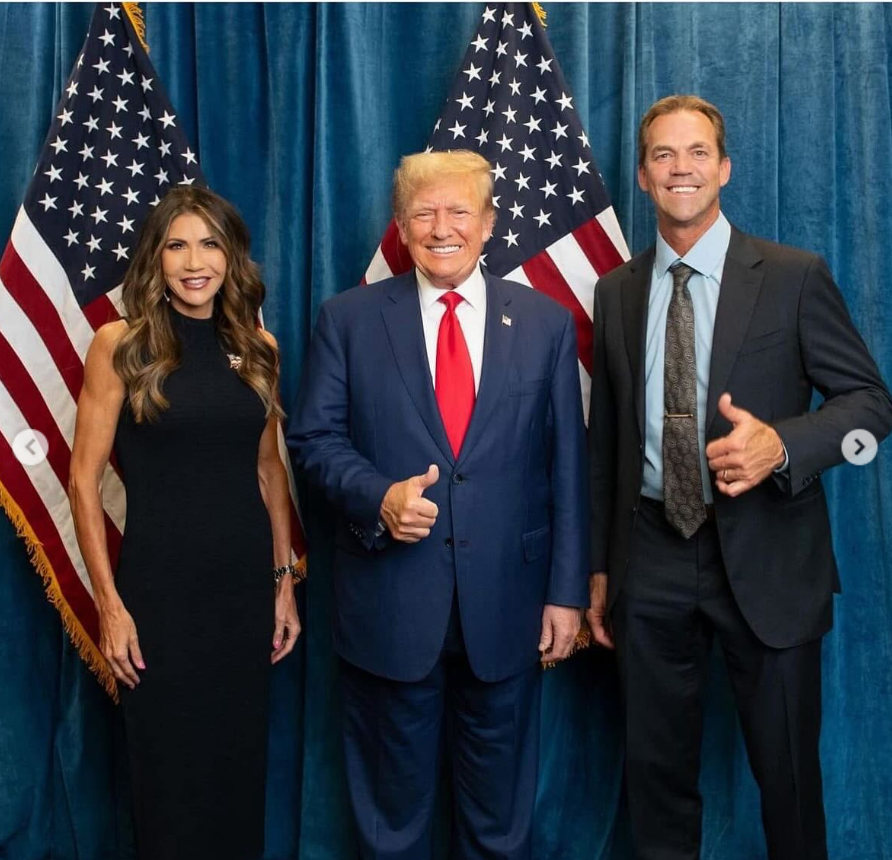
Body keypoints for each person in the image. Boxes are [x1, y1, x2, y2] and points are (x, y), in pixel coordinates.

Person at [586, 94, 892, 860]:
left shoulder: (793, 276)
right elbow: (606, 445)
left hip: (768, 557)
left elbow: (870, 409)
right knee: (656, 778)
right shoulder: (616, 290)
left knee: (787, 779)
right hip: (650, 557)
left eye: (696, 153)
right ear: (644, 175)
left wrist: (782, 447)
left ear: (723, 169)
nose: (680, 168)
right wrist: (598, 567)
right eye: (663, 154)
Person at [288, 150, 588, 860]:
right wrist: (379, 496)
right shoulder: (349, 319)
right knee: (391, 827)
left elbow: (566, 468)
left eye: (459, 212)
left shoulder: (545, 323)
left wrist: (567, 593)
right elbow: (313, 439)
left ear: (489, 224)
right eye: (424, 213)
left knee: (499, 826)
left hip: (509, 609)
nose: (442, 227)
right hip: (390, 604)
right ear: (400, 226)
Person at [68, 186, 301, 860]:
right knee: (170, 777)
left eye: (209, 243)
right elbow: (83, 482)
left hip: (241, 595)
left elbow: (270, 471)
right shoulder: (121, 344)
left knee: (236, 767)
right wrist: (109, 606)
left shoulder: (259, 346)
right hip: (158, 595)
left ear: (231, 257)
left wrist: (283, 581)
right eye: (177, 245)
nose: (194, 261)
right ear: (156, 259)